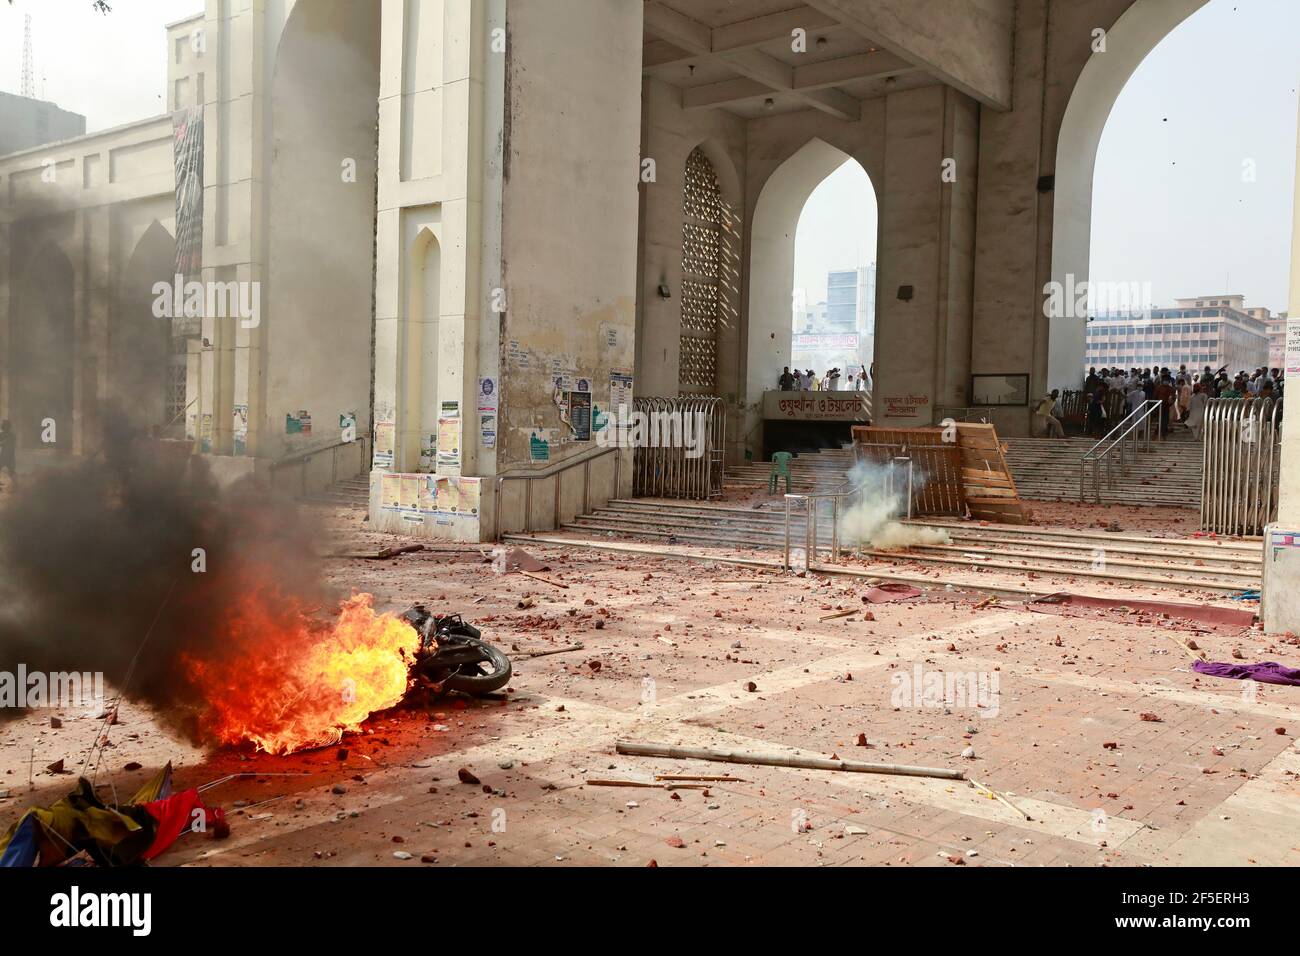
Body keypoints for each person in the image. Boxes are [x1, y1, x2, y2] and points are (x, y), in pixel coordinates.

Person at [0, 420, 15, 493]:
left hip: (10, 456)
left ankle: (14, 486)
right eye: (4, 425)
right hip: (4, 455)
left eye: (7, 425)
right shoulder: (2, 434)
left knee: (11, 472)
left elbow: (13, 444)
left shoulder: (12, 435)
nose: (6, 427)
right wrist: (3, 442)